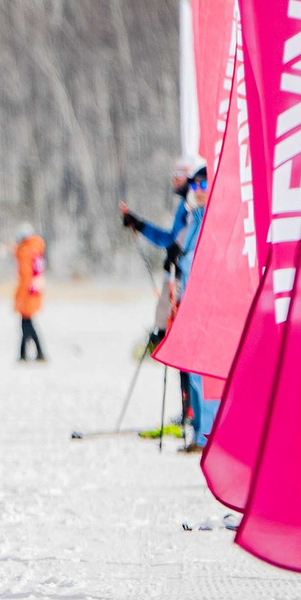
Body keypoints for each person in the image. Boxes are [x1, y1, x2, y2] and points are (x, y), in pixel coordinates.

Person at [124, 160, 210, 446]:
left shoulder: (201, 211)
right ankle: (192, 415)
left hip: (196, 292)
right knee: (181, 351)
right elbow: (172, 241)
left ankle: (196, 418)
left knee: (194, 358)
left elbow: (186, 247)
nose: (177, 182)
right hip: (182, 287)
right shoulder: (188, 209)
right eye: (192, 184)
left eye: (180, 177)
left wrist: (177, 254)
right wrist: (141, 225)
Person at [12, 227, 47, 362]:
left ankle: (29, 353)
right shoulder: (36, 249)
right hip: (35, 292)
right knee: (27, 323)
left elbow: (25, 277)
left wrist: (19, 297)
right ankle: (27, 353)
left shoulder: (25, 252)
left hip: (27, 293)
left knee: (27, 324)